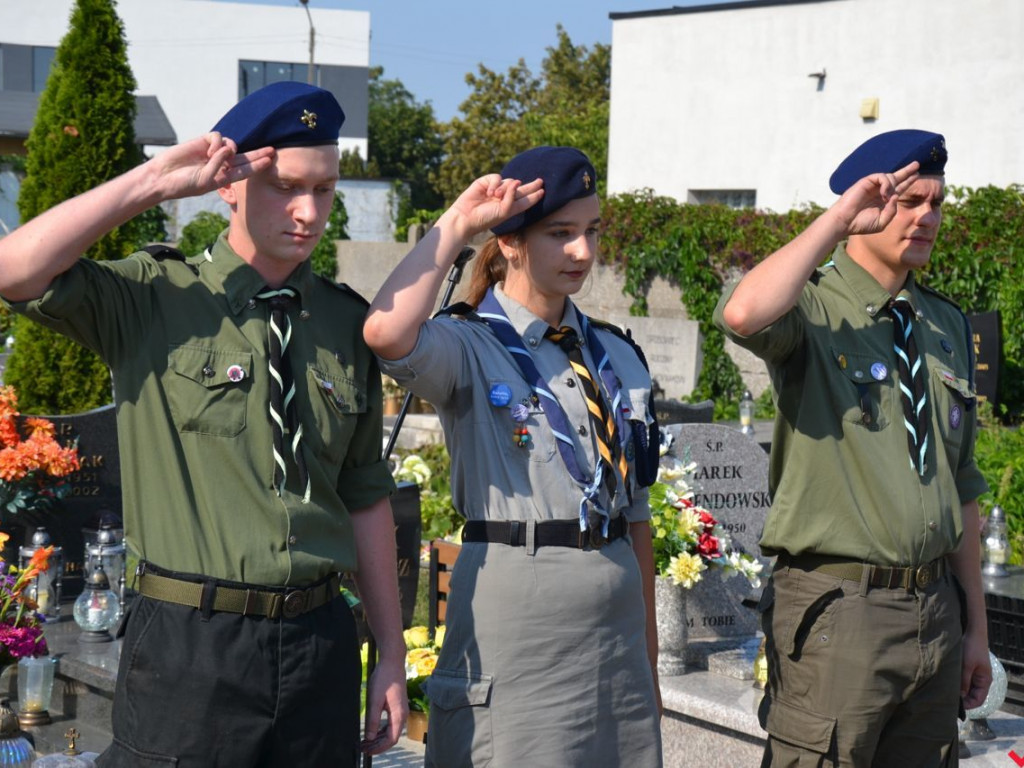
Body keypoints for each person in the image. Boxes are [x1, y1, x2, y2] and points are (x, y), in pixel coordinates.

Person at [0, 81, 407, 767]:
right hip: (192, 648)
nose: (309, 212)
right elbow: (15, 271)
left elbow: (365, 495)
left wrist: (390, 654)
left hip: (320, 645)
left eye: (326, 190)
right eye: (285, 186)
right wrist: (156, 181)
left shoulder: (346, 323)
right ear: (231, 182)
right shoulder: (154, 298)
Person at [364, 146, 664, 767]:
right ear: (510, 243)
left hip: (618, 634)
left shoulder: (615, 354)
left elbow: (636, 517)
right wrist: (458, 225)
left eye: (591, 232)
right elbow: (386, 333)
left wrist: (650, 660)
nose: (582, 252)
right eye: (561, 234)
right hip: (521, 621)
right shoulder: (470, 343)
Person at [714, 130, 991, 767]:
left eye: (938, 202)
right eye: (908, 199)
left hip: (935, 612)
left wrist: (975, 628)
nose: (927, 216)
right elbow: (742, 314)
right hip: (843, 614)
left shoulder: (943, 324)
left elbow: (963, 483)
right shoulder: (811, 303)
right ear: (864, 205)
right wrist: (837, 219)